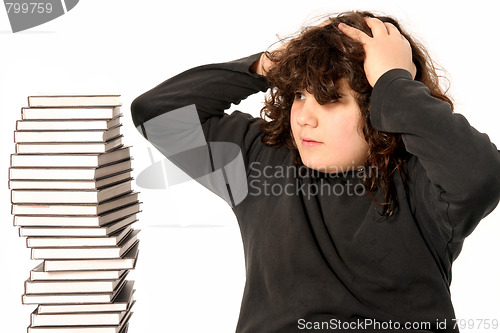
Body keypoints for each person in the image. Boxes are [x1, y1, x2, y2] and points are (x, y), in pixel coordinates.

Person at [131, 10, 500, 333]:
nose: (304, 118)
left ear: (380, 107)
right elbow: (156, 113)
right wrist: (271, 64)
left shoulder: (425, 183)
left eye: (331, 99)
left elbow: (481, 175)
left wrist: (393, 79)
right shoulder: (260, 162)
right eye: (300, 95)